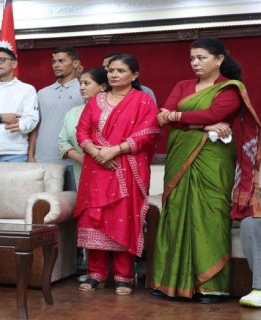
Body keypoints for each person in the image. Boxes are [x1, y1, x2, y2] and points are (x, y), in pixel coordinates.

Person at [151, 38, 261, 304]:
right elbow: (161, 116)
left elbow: (210, 114)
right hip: (180, 156)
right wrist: (204, 126)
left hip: (214, 159)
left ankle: (211, 286)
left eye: (201, 58)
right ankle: (170, 284)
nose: (195, 63)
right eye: (192, 58)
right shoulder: (183, 85)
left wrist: (178, 118)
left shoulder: (231, 88)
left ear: (219, 59)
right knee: (177, 213)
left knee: (210, 215)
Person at [75, 54, 160, 295]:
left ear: (134, 76)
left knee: (124, 218)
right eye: (111, 70)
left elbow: (149, 133)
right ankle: (96, 273)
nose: (114, 75)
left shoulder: (143, 101)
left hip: (127, 169)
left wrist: (115, 150)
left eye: (121, 71)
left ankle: (124, 275)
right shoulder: (95, 101)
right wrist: (96, 151)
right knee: (95, 218)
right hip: (97, 170)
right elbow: (82, 131)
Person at [29, 46, 85, 190]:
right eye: (54, 62)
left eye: (61, 61)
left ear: (75, 63)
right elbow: (36, 127)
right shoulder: (42, 93)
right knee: (45, 206)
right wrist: (30, 156)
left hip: (74, 161)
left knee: (74, 207)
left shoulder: (84, 90)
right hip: (43, 161)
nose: (56, 65)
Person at [0, 47, 38, 162]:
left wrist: (21, 125)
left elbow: (32, 119)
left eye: (1, 59)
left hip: (15, 154)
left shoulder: (27, 89)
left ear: (14, 64)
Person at [58, 68, 108, 190]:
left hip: (109, 168)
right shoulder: (73, 112)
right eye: (80, 83)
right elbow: (62, 142)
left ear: (103, 86)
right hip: (81, 169)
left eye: (87, 83)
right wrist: (81, 158)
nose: (81, 87)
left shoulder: (114, 110)